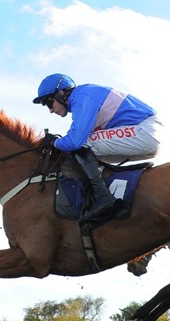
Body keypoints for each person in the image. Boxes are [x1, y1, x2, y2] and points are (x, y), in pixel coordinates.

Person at [33, 73, 161, 221]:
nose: (50, 110)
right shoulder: (83, 98)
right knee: (80, 154)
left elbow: (75, 141)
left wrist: (53, 143)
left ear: (61, 93)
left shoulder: (82, 97)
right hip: (145, 131)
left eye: (48, 103)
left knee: (82, 145)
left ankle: (103, 198)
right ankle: (101, 195)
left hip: (146, 131)